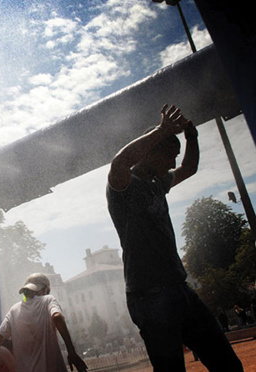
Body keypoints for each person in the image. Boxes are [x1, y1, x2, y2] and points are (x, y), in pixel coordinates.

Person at [106, 104, 243, 371]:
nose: (172, 163)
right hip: (149, 296)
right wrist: (161, 130)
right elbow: (119, 162)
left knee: (228, 365)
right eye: (170, 155)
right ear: (152, 152)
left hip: (179, 289)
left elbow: (189, 168)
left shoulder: (158, 183)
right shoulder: (124, 188)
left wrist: (192, 137)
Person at [0, 272, 87, 372]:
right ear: (44, 289)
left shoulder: (14, 310)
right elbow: (57, 317)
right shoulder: (48, 300)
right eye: (48, 291)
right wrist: (71, 351)